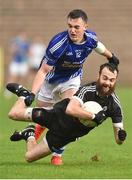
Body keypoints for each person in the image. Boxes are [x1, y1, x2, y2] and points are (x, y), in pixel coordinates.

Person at [9, 9, 120, 165]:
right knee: (46, 116)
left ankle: (57, 155)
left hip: (72, 79)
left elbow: (98, 45)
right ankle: (30, 132)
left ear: (85, 27)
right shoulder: (58, 44)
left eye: (77, 27)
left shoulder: (90, 39)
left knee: (70, 117)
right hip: (51, 81)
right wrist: (32, 93)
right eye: (70, 26)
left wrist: (110, 56)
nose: (72, 30)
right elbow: (43, 70)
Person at [7, 63, 126, 164]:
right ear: (99, 76)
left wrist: (121, 137)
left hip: (64, 136)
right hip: (56, 115)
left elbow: (118, 140)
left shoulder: (114, 106)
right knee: (13, 114)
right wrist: (93, 116)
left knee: (29, 157)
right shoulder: (87, 90)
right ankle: (23, 95)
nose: (108, 83)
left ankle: (30, 134)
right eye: (105, 78)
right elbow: (70, 109)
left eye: (112, 80)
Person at [4, 30, 30, 98]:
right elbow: (12, 51)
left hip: (23, 62)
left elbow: (28, 52)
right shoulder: (15, 42)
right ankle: (8, 91)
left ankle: (20, 91)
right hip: (15, 61)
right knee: (13, 76)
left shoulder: (26, 43)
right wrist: (15, 48)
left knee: (22, 77)